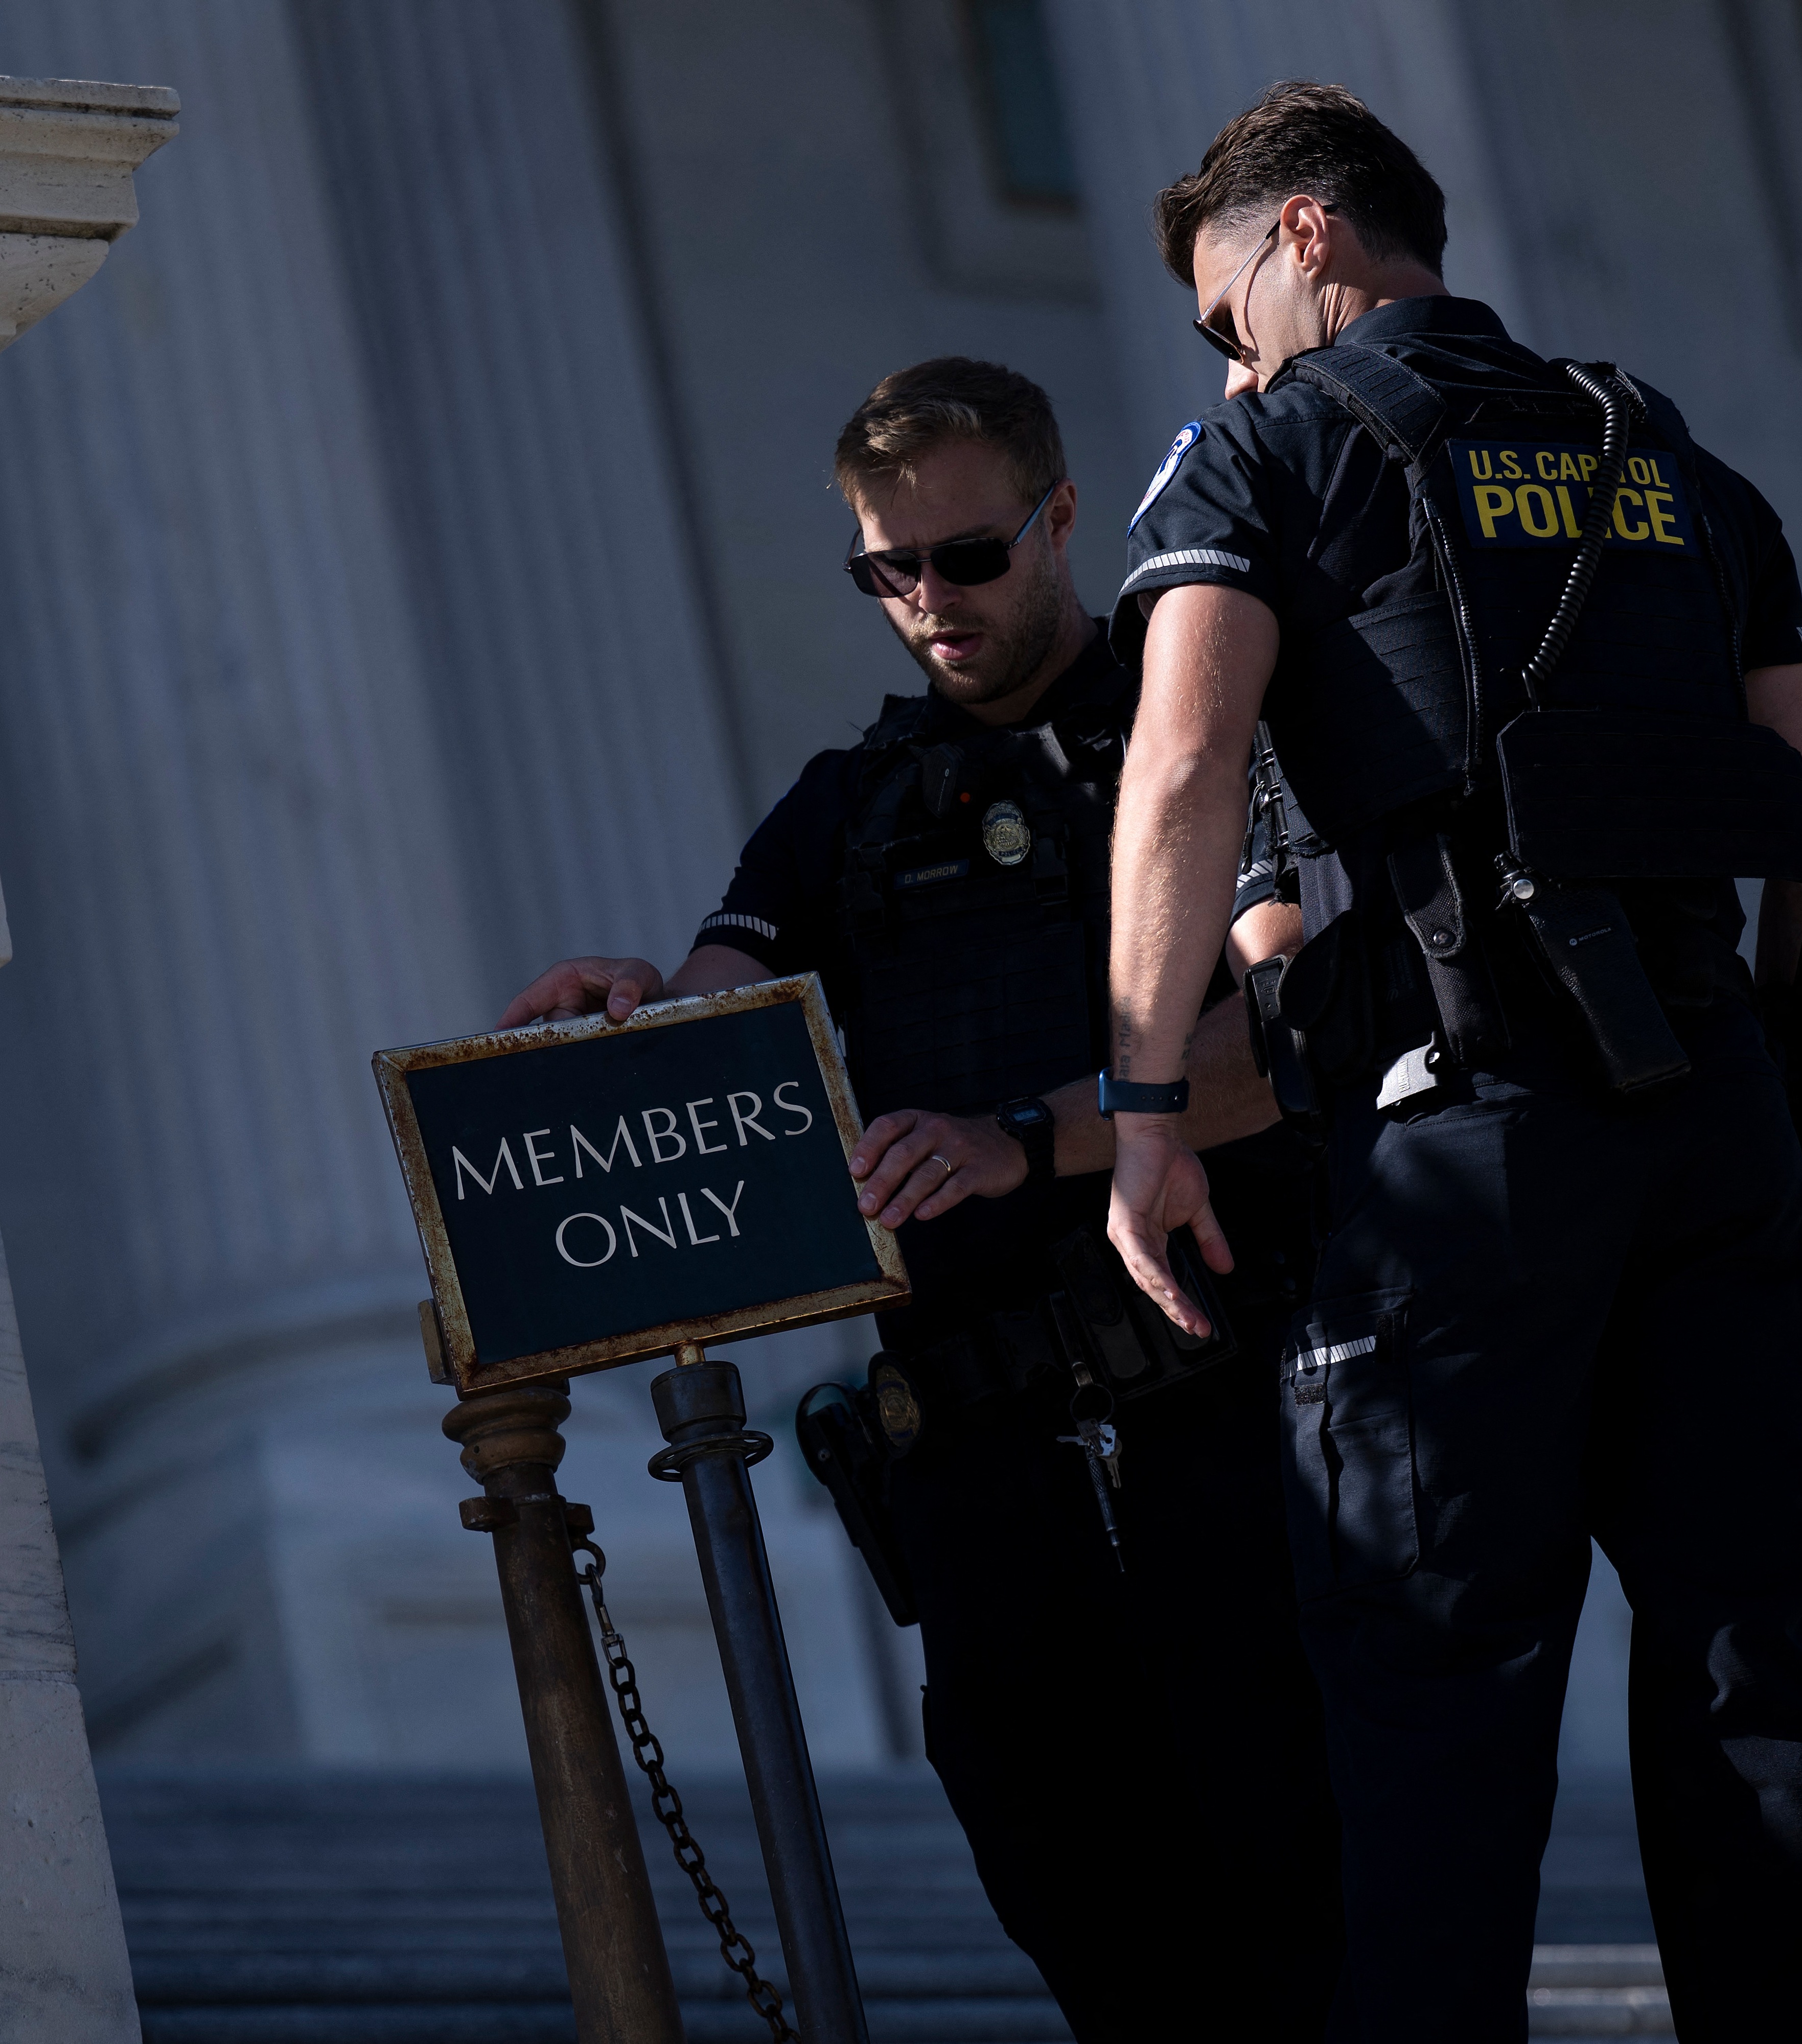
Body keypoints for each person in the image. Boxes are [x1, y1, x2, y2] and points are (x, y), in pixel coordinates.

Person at [1093, 83, 1802, 2042]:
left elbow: (1186, 771)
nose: (1222, 353)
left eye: (1225, 308)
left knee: (1428, 1695)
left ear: (1305, 236)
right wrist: (1798, 1134)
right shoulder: (1676, 460)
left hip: (1467, 1148)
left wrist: (1142, 1115)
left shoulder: (1263, 456)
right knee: (1754, 1670)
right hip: (1722, 1121)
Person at [498, 358, 1343, 2042]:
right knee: (1088, 1921)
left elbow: (1291, 1035)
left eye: (966, 558)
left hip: (1222, 1429)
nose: (930, 604)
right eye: (888, 572)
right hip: (979, 1460)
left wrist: (1025, 1140)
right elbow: (715, 1002)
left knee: (1312, 1919)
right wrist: (627, 1014)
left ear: (1058, 520)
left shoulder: (1196, 740)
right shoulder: (846, 807)